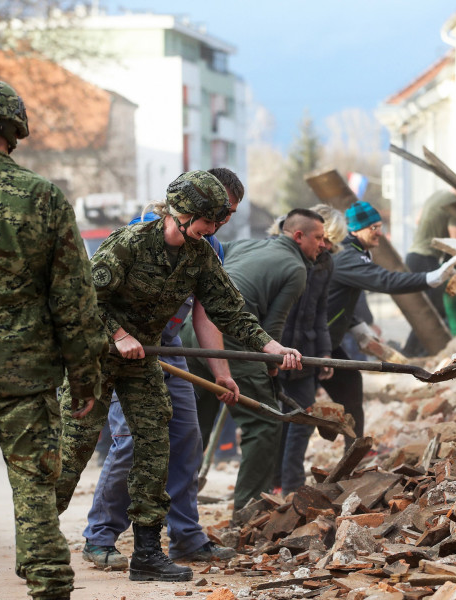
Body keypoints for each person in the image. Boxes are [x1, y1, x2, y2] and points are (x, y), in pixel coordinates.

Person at [55, 170, 302, 583]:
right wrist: (118, 334)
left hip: (144, 361)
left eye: (217, 224)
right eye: (208, 222)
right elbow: (80, 298)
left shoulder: (200, 254)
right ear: (182, 214)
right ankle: (39, 539)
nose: (211, 231)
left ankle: (148, 553)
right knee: (74, 451)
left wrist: (268, 346)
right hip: (95, 358)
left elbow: (227, 308)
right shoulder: (130, 243)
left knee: (156, 447)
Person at [0, 79, 107, 600]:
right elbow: (75, 300)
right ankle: (48, 583)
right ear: (14, 132)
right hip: (30, 379)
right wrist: (86, 378)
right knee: (36, 491)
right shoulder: (45, 198)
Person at [80, 167, 244, 571]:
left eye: (229, 215)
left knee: (186, 439)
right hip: (125, 348)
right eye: (216, 213)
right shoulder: (141, 235)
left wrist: (220, 372)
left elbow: (205, 317)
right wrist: (119, 337)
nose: (220, 222)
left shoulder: (209, 248)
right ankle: (100, 537)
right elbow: (90, 299)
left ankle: (187, 537)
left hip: (167, 347)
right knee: (132, 442)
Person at [182, 208, 326, 513]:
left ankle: (176, 510)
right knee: (264, 423)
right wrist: (271, 366)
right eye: (319, 238)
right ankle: (249, 513)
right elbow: (272, 328)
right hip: (231, 338)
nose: (323, 245)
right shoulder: (296, 269)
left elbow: (216, 261)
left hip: (191, 330)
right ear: (298, 236)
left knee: (196, 425)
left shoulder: (248, 243)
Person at [322, 201, 456, 450]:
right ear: (355, 229)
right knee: (297, 406)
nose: (379, 232)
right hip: (311, 341)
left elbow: (339, 297)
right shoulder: (346, 255)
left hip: (326, 339)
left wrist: (356, 326)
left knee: (351, 387)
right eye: (373, 227)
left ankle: (355, 452)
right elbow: (384, 280)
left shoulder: (354, 251)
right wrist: (431, 278)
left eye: (380, 226)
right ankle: (285, 481)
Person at [271, 204, 348, 494]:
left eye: (331, 242)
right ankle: (272, 483)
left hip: (304, 355)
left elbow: (319, 311)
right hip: (272, 350)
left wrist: (325, 353)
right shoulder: (279, 255)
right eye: (323, 239)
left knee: (303, 418)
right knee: (274, 421)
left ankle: (292, 486)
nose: (326, 246)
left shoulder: (325, 262)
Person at [404, 169, 456, 355]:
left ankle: (412, 352)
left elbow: (418, 219)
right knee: (433, 311)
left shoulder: (438, 195)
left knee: (425, 310)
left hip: (414, 256)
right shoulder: (454, 205)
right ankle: (417, 353)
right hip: (425, 258)